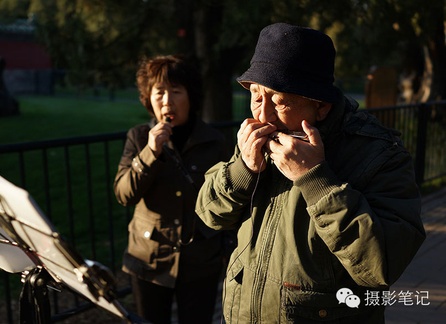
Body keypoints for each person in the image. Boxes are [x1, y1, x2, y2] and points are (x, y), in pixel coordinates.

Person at [195, 23, 426, 323]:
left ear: (321, 106)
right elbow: (209, 214)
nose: (262, 114)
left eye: (280, 100)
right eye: (255, 95)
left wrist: (316, 179)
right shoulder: (260, 139)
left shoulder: (381, 155)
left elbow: (380, 267)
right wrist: (244, 169)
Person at [114, 54, 232, 324]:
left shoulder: (213, 141)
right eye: (159, 92)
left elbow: (228, 199)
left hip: (201, 260)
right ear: (148, 97)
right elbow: (123, 194)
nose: (166, 101)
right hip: (148, 259)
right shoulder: (138, 137)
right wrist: (150, 153)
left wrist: (228, 249)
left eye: (176, 91)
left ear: (191, 96)